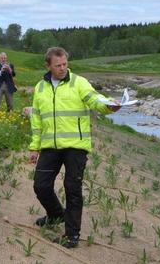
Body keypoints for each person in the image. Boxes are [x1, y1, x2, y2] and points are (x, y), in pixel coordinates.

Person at [29, 47, 119, 249]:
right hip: (50, 146)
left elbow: (94, 99)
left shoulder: (79, 82)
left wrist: (108, 106)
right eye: (57, 65)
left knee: (72, 189)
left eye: (64, 65)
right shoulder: (40, 88)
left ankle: (72, 235)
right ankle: (55, 215)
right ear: (48, 65)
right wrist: (34, 147)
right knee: (40, 186)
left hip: (76, 147)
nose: (62, 69)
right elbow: (36, 120)